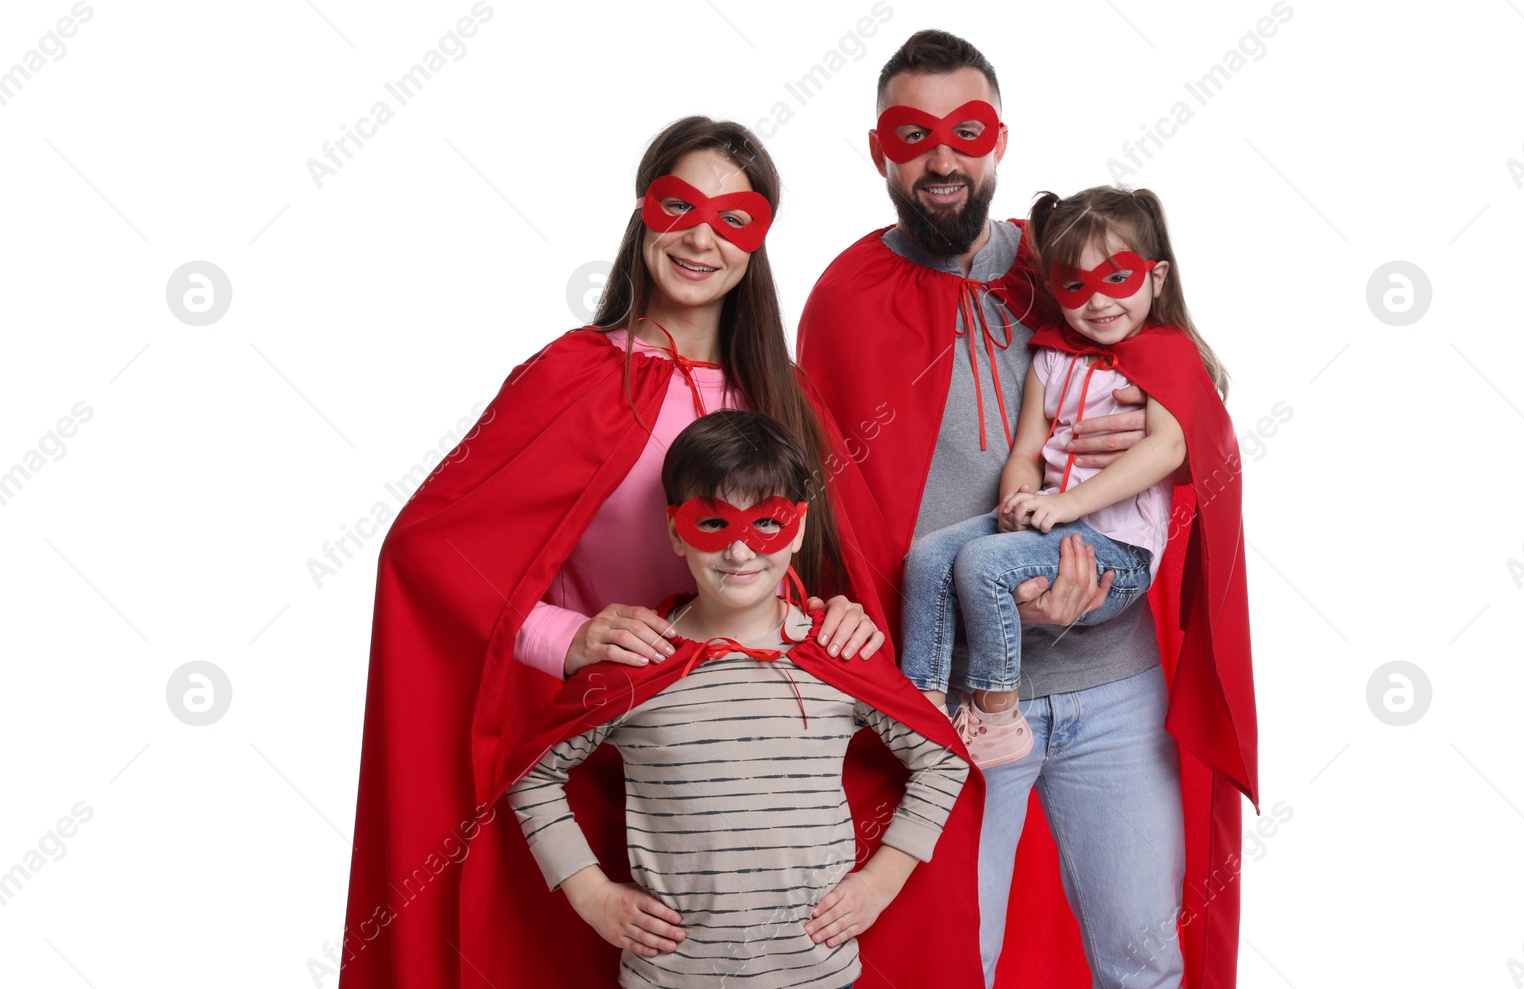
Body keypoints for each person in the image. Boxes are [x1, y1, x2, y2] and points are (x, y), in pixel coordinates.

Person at [337, 117, 957, 989]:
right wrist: (569, 637)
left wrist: (842, 612)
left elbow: (815, 566)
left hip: (747, 768)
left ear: (760, 242)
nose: (702, 237)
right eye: (680, 206)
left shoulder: (781, 396)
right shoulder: (576, 375)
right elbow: (428, 550)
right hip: (599, 752)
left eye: (733, 219)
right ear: (644, 214)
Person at [797, 30, 1258, 989]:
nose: (943, 157)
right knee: (950, 957)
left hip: (1115, 688)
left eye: (967, 131)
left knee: (1141, 956)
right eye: (913, 133)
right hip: (965, 706)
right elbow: (832, 503)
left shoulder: (1062, 261)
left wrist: (1151, 421)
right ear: (880, 149)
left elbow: (1189, 396)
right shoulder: (845, 296)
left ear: (1000, 141)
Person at [504, 410, 977, 989]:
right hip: (668, 978)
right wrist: (590, 892)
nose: (739, 552)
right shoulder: (638, 660)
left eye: (766, 524)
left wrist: (880, 882)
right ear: (676, 531)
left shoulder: (834, 649)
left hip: (817, 976)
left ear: (799, 529)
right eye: (713, 524)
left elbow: (943, 757)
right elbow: (532, 774)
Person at [898, 185, 1229, 770]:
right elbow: (1026, 451)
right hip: (1049, 528)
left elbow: (1166, 446)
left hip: (1115, 552)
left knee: (981, 565)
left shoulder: (1169, 357)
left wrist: (1068, 504)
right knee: (927, 558)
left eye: (1117, 279)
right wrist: (1017, 501)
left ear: (1156, 278)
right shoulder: (1050, 357)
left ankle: (995, 716)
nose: (1098, 301)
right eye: (1076, 286)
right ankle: (919, 709)